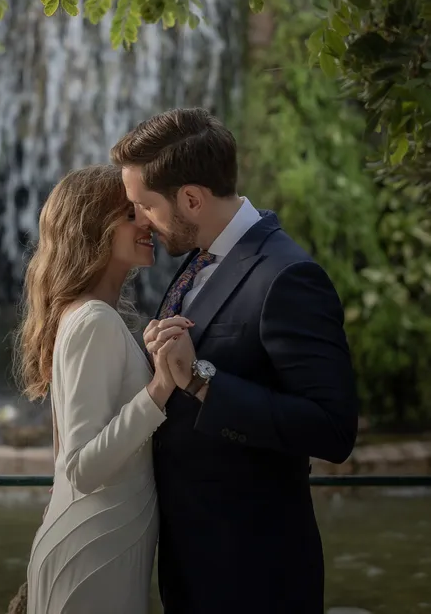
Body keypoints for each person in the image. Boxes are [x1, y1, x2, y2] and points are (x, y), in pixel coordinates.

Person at [111, 107, 359, 614]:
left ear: (192, 199)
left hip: (255, 574)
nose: (141, 221)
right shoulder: (191, 265)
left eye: (145, 206)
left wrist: (203, 380)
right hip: (190, 563)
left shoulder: (288, 276)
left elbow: (333, 431)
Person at [16, 165, 185, 614]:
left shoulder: (89, 315)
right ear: (95, 226)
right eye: (132, 215)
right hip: (94, 551)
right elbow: (82, 468)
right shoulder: (93, 319)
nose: (147, 222)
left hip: (100, 542)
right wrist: (161, 386)